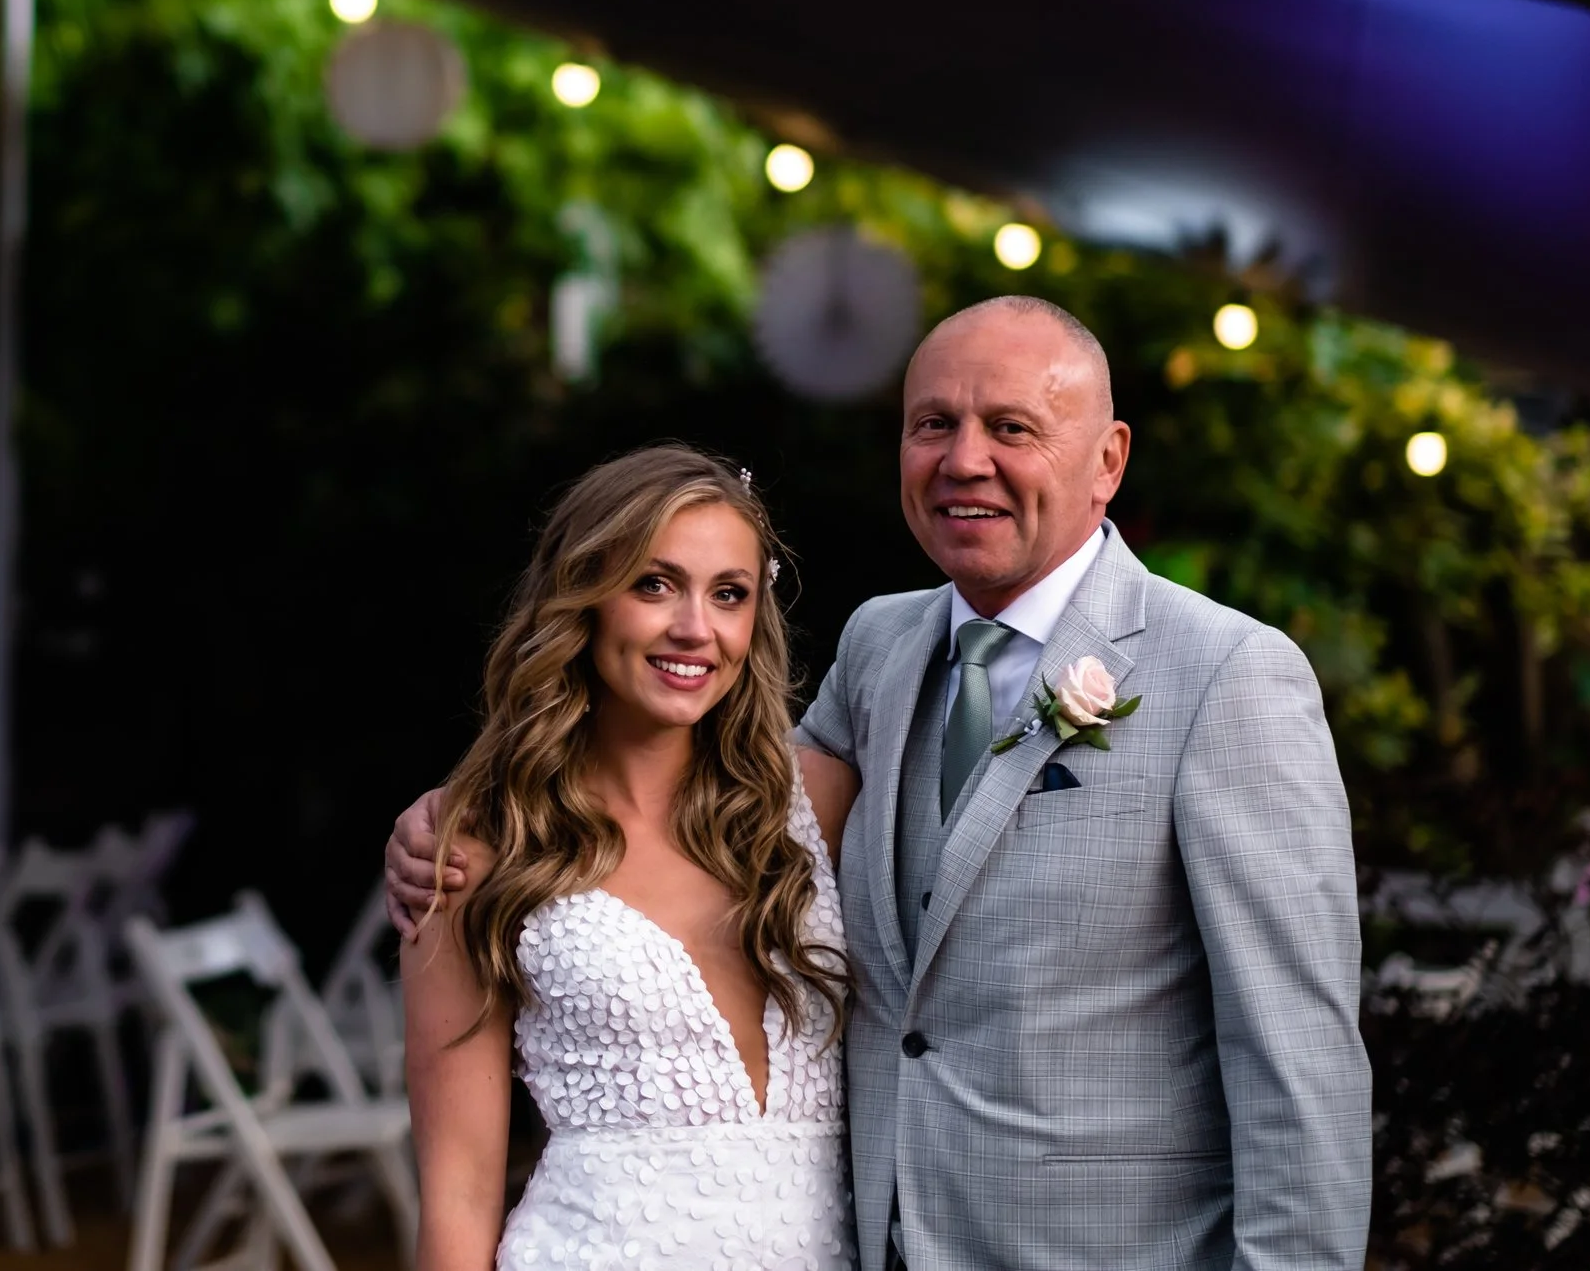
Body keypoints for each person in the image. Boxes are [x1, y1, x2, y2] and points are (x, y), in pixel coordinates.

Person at [389, 297, 1371, 1271]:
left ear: (1108, 459)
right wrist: (461, 812)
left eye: (1011, 427)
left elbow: (1300, 1069)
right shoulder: (878, 651)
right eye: (932, 424)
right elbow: (682, 780)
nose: (963, 459)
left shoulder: (1225, 675)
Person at [400, 444, 859, 1271]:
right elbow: (460, 1191)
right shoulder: (476, 850)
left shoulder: (824, 803)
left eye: (729, 594)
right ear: (585, 598)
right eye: (654, 583)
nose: (694, 627)